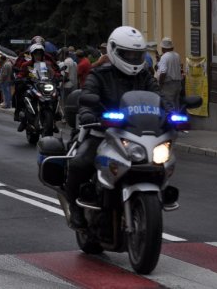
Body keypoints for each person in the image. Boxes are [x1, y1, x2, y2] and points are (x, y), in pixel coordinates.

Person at [65, 26, 160, 229]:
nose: (133, 58)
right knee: (80, 163)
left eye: (137, 55)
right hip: (102, 132)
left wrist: (172, 112)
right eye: (128, 54)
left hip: (136, 133)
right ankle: (75, 209)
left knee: (159, 161)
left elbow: (159, 97)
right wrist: (88, 114)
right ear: (114, 51)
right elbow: (87, 96)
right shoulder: (99, 75)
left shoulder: (144, 76)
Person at [16, 42, 61, 131]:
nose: (38, 55)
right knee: (23, 94)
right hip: (32, 85)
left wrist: (58, 76)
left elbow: (54, 71)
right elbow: (20, 74)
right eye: (36, 54)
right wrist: (21, 78)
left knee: (56, 95)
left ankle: (55, 119)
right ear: (32, 54)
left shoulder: (47, 64)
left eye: (40, 53)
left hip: (45, 84)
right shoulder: (27, 64)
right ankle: (23, 120)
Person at [156, 37, 182, 111]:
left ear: (163, 48)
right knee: (176, 104)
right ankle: (177, 120)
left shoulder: (165, 57)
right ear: (172, 47)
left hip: (168, 85)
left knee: (168, 105)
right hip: (177, 83)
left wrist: (160, 85)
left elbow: (163, 72)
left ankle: (169, 121)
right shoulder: (177, 55)